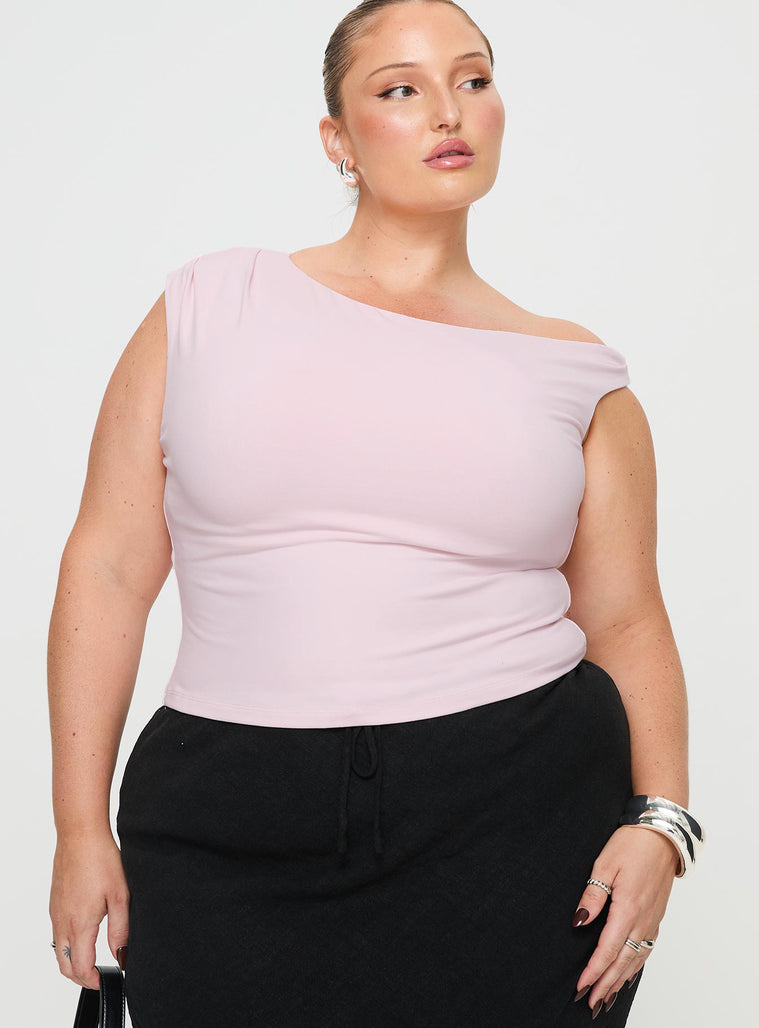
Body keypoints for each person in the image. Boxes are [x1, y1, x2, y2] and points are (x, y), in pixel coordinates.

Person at [47, 1, 705, 1025]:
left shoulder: (577, 374)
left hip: (518, 820)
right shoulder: (211, 306)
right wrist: (78, 827)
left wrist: (661, 823)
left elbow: (626, 619)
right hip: (226, 819)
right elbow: (108, 568)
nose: (448, 109)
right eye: (400, 88)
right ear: (338, 139)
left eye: (473, 79)